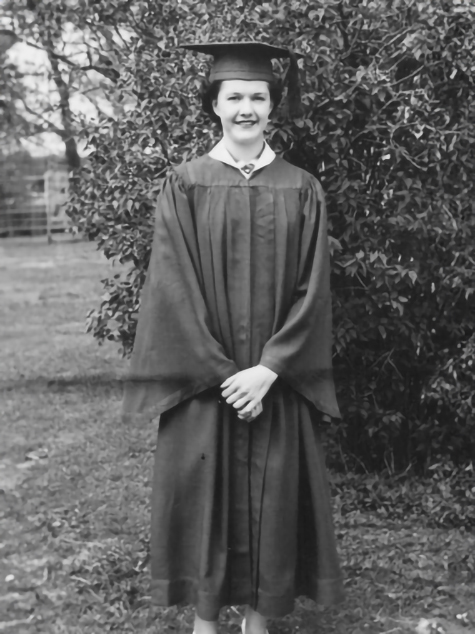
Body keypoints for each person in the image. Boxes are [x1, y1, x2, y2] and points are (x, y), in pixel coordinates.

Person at [122, 41, 344, 634]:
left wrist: (270, 368)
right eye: (235, 97)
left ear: (273, 106)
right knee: (205, 493)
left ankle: (256, 619)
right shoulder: (186, 183)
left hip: (275, 380)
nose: (247, 108)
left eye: (258, 97)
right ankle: (204, 619)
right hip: (210, 384)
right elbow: (172, 285)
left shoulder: (302, 188)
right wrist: (226, 373)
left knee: (271, 497)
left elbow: (313, 290)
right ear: (214, 104)